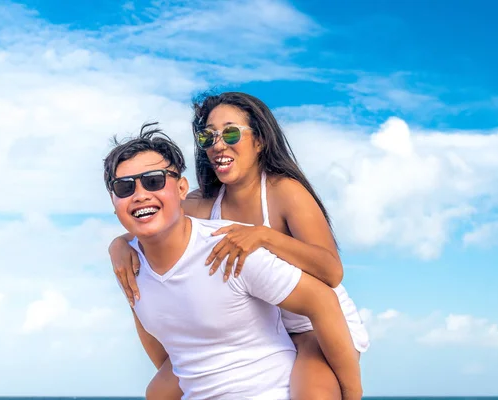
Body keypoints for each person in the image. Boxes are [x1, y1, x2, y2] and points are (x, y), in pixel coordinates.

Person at [109, 92, 370, 398]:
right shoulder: (203, 202)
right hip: (256, 330)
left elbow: (331, 271)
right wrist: (117, 246)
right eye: (208, 137)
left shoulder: (284, 191)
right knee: (158, 391)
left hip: (311, 324)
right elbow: (156, 221)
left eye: (231, 132)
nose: (218, 144)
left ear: (259, 141)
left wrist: (264, 236)